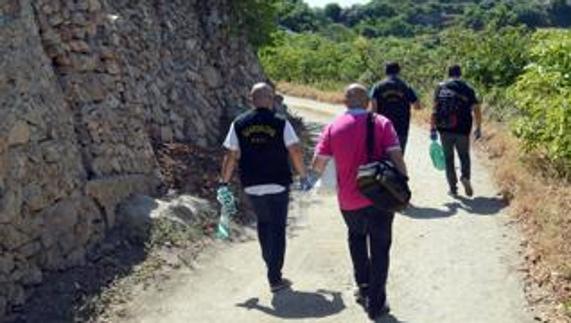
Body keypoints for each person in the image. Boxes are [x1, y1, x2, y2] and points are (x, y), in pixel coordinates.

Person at [309, 84, 407, 320]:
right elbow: (396, 156)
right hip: (381, 196)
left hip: (350, 199)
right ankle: (377, 302)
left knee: (356, 238)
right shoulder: (382, 123)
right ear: (368, 102)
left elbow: (318, 164)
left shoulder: (333, 127)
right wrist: (404, 182)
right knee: (381, 247)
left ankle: (363, 288)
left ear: (344, 102)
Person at [219, 82, 311, 292]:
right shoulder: (280, 122)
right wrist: (303, 176)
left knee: (264, 223)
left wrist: (224, 181)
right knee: (277, 228)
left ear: (251, 100)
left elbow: (231, 155)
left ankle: (269, 261)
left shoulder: (239, 123)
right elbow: (295, 151)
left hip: (252, 184)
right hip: (278, 183)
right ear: (270, 99)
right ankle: (274, 276)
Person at [430, 65, 482, 197]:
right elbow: (476, 108)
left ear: (448, 74)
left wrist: (432, 128)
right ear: (460, 73)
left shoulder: (440, 87)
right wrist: (478, 127)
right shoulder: (468, 88)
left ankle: (453, 188)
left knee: (448, 159)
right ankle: (465, 177)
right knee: (464, 155)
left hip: (444, 128)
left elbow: (434, 109)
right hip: (463, 128)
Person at [369, 62, 423, 153]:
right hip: (402, 125)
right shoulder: (406, 86)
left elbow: (374, 108)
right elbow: (417, 106)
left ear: (385, 71)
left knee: (383, 154)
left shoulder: (378, 86)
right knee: (399, 154)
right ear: (399, 71)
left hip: (383, 126)